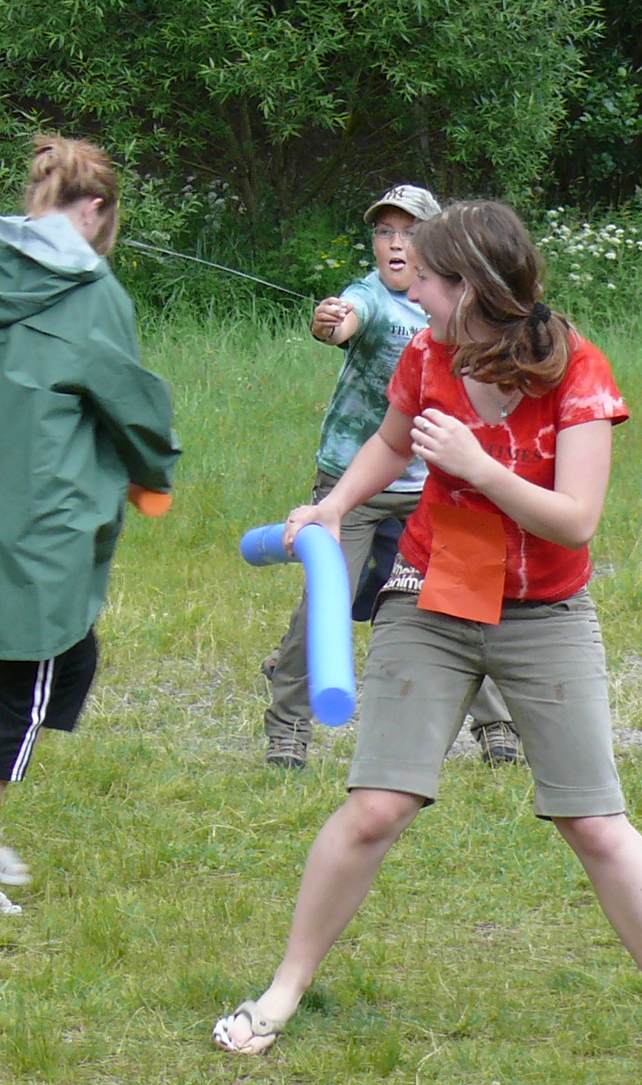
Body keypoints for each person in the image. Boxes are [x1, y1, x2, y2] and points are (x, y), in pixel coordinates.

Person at [215, 201, 642, 1062]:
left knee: (594, 820)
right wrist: (333, 507)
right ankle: (282, 993)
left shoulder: (578, 371)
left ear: (472, 287)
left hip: (545, 611)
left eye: (429, 278)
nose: (413, 290)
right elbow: (389, 442)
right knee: (375, 807)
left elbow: (576, 520)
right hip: (431, 595)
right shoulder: (425, 352)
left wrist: (477, 467)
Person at [0, 134, 180, 913]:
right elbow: (134, 409)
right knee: (32, 681)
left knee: (67, 659)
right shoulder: (92, 292)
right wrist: (155, 471)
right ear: (93, 208)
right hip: (47, 519)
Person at [262, 184, 520, 771]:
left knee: (464, 595)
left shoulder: (457, 306)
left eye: (409, 232)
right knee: (324, 604)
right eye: (385, 232)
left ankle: (496, 724)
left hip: (437, 482)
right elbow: (345, 320)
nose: (396, 243)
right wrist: (331, 322)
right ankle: (288, 727)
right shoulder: (370, 295)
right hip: (354, 480)